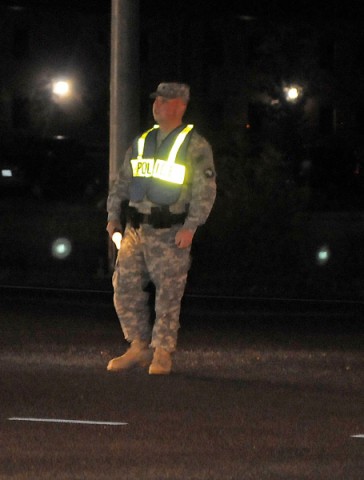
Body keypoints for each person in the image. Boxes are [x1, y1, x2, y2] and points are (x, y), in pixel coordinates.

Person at [106, 82, 216, 375]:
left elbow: (206, 191)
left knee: (168, 295)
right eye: (156, 101)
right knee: (124, 288)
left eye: (163, 101)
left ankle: (162, 353)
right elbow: (122, 183)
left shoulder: (195, 145)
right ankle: (139, 347)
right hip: (135, 230)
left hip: (170, 232)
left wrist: (191, 227)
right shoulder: (143, 142)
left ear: (179, 105)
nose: (156, 106)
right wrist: (113, 216)